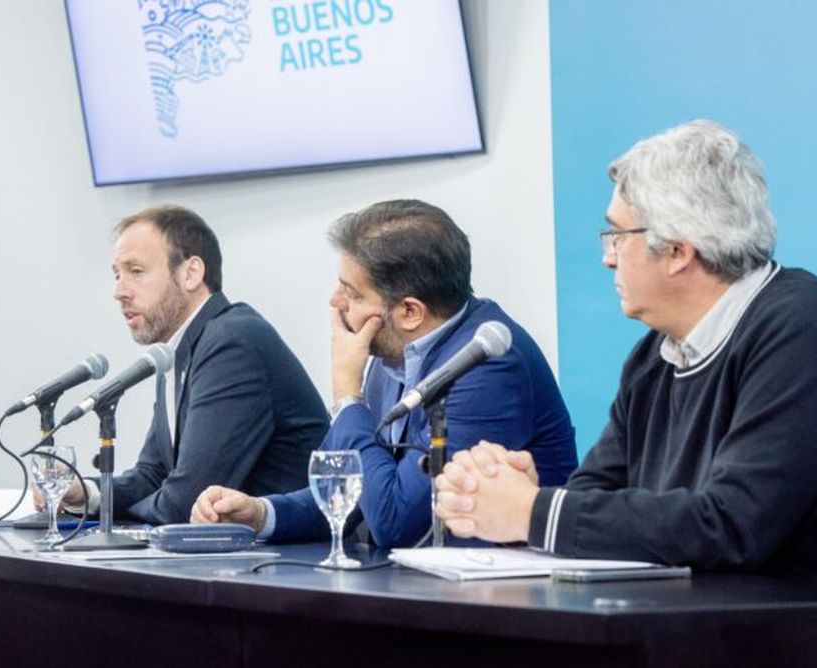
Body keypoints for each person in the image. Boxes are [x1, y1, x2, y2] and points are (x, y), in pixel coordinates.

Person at [435, 120, 817, 588]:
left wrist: (534, 512)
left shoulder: (810, 331)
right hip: (719, 627)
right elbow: (597, 495)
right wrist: (525, 498)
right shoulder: (655, 354)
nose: (607, 256)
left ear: (678, 251)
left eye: (617, 236)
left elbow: (735, 526)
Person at [190, 199, 578, 548]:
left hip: (497, 604)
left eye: (352, 293)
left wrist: (346, 396)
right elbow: (349, 487)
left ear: (410, 312)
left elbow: (397, 521)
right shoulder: (392, 348)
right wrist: (262, 514)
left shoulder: (488, 367)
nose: (334, 301)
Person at [57, 205, 329, 524]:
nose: (120, 292)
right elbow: (153, 474)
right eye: (117, 275)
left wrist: (116, 518)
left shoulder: (231, 341)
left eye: (136, 271)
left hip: (289, 559)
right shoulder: (177, 350)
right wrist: (88, 494)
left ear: (191, 273)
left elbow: (184, 500)